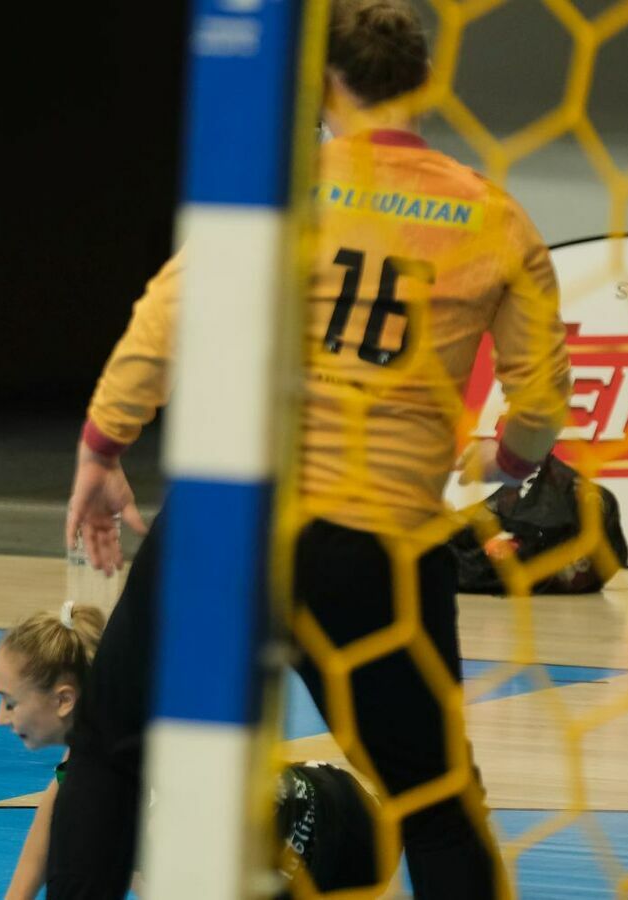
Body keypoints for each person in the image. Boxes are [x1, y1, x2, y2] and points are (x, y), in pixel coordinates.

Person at [58, 1, 572, 896]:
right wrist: (515, 466)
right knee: (436, 800)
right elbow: (540, 400)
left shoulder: (272, 188)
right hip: (377, 546)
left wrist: (103, 447)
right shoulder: (495, 218)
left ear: (322, 81)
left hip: (232, 523)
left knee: (111, 748)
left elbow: (162, 323)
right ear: (418, 82)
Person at [0, 602, 382, 899]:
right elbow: (55, 804)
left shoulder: (151, 795)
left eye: (9, 702)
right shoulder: (100, 736)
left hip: (348, 844)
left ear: (64, 700)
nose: (0, 718)